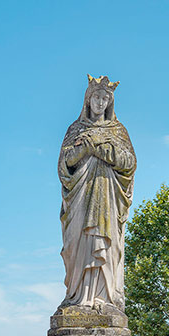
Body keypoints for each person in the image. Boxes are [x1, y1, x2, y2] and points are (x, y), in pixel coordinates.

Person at [58, 75, 137, 312]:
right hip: (81, 197)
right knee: (77, 243)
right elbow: (65, 163)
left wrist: (106, 151)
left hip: (107, 195)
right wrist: (84, 148)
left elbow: (130, 163)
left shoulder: (117, 130)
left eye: (105, 98)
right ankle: (78, 297)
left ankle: (106, 297)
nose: (101, 102)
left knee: (106, 243)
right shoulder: (76, 129)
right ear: (88, 100)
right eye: (97, 97)